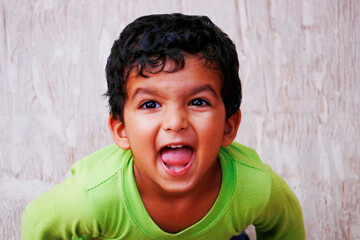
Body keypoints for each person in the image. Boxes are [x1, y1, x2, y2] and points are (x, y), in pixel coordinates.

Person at [22, 13, 305, 239]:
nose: (175, 122)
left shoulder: (253, 185)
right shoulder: (95, 196)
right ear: (122, 131)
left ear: (228, 127)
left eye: (198, 102)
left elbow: (285, 224)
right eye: (150, 105)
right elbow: (37, 221)